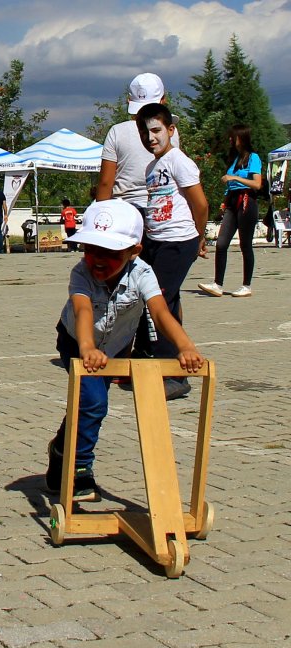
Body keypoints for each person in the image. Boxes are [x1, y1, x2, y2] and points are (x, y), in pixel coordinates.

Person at [44, 200, 204, 500]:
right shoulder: (81, 273)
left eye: (110, 253)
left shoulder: (142, 273)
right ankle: (80, 469)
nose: (98, 260)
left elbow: (159, 312)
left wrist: (185, 347)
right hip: (76, 340)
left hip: (114, 346)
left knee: (89, 402)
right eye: (91, 250)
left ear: (134, 251)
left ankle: (60, 449)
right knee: (93, 402)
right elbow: (82, 311)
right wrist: (87, 347)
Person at [137, 103, 209, 400]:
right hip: (156, 241)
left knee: (159, 302)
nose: (150, 137)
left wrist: (199, 238)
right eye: (144, 132)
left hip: (178, 241)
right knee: (167, 298)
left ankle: (173, 374)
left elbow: (200, 204)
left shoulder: (179, 162)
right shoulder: (152, 167)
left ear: (170, 130)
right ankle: (158, 359)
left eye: (156, 130)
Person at [198, 125, 263, 298]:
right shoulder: (234, 159)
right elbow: (231, 185)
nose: (230, 140)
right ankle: (217, 284)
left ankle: (246, 285)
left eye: (232, 137)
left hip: (247, 201)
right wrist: (225, 201)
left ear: (241, 138)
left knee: (245, 244)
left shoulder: (253, 158)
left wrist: (234, 177)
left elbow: (257, 184)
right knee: (221, 243)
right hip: (232, 201)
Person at [96, 72, 176, 209]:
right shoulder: (170, 131)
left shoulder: (117, 131)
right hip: (162, 207)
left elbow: (105, 183)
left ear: (129, 101)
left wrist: (99, 212)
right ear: (163, 100)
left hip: (124, 210)